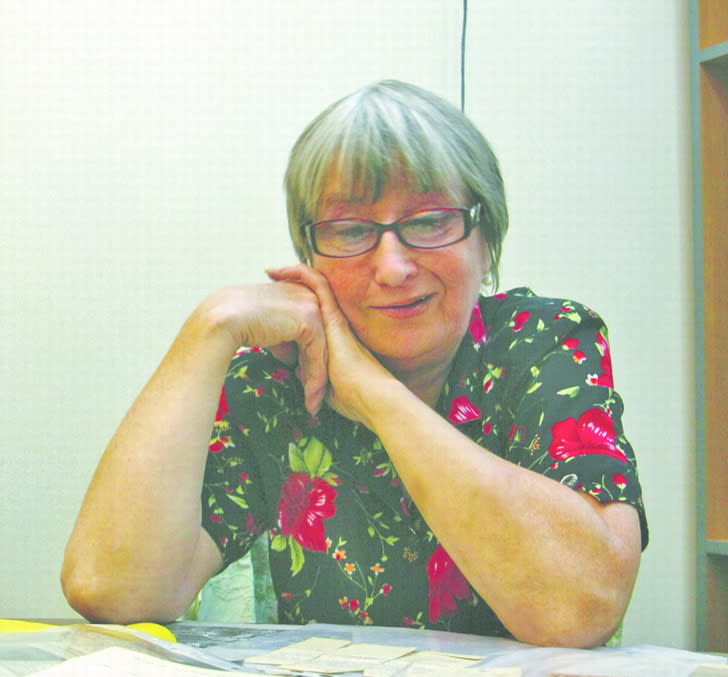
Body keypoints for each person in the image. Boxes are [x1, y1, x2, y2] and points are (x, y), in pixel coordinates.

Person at [62, 80, 647, 647]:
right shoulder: (274, 383)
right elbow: (113, 590)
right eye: (349, 230)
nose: (392, 268)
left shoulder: (543, 341)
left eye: (429, 222)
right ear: (309, 255)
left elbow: (579, 610)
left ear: (486, 237)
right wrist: (211, 327)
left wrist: (372, 393)